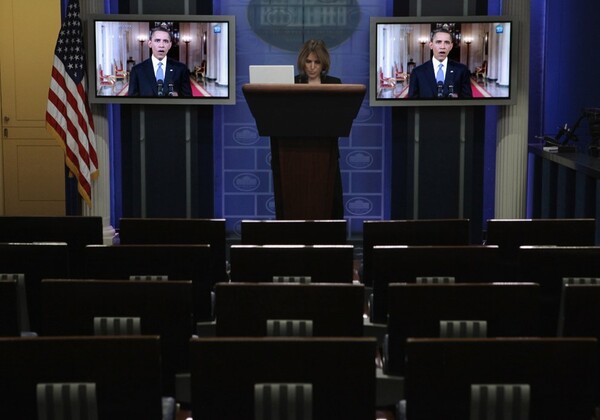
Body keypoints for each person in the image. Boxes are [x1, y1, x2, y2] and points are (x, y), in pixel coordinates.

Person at [293, 39, 344, 218]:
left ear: (323, 64)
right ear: (303, 62)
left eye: (317, 62)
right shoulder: (292, 83)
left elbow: (340, 118)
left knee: (332, 202)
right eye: (308, 61)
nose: (312, 67)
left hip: (327, 151)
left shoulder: (335, 84)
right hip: (296, 153)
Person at [128, 26, 192, 97]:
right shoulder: (137, 70)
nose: (161, 45)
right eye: (157, 40)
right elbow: (132, 100)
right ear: (150, 44)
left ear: (170, 45)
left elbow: (188, 98)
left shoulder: (181, 69)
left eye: (165, 41)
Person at [408, 28, 472, 99]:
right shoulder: (418, 72)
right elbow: (413, 102)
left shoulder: (462, 70)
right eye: (438, 42)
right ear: (431, 45)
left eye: (446, 42)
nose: (442, 47)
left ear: (451, 46)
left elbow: (467, 100)